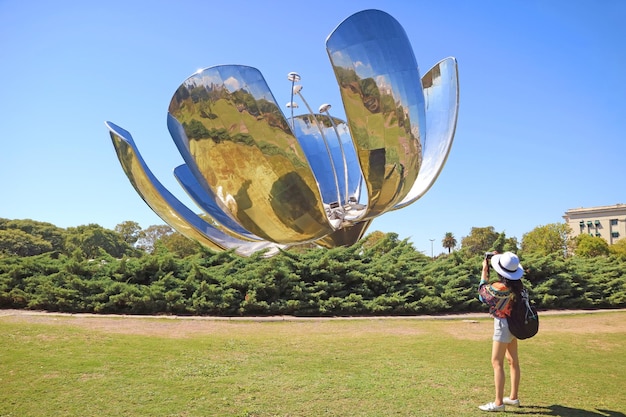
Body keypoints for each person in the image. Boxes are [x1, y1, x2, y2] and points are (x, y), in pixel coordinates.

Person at [477, 251, 525, 412]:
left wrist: (484, 271)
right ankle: (513, 397)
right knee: (513, 361)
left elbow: (482, 295)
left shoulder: (499, 287)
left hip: (503, 325)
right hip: (515, 324)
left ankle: (498, 403)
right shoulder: (518, 285)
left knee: (497, 362)